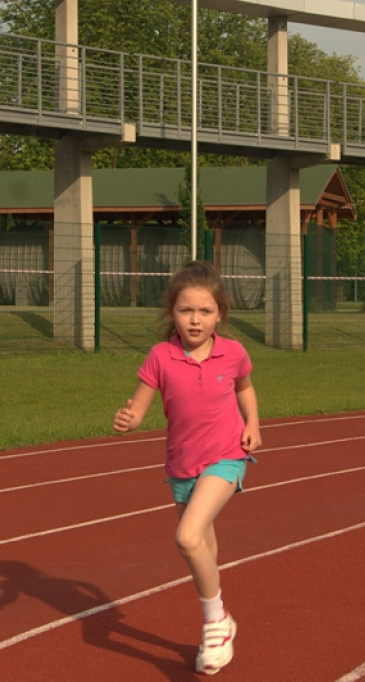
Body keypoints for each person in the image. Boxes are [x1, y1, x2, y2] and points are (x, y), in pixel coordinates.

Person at [113, 261, 261, 675]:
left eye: (205, 311)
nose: (195, 320)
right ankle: (224, 619)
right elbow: (139, 409)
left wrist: (253, 424)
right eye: (185, 311)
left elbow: (245, 386)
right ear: (171, 313)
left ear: (220, 314)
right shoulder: (160, 356)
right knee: (203, 547)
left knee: (188, 536)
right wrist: (130, 421)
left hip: (227, 456)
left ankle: (214, 622)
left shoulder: (234, 352)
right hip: (181, 465)